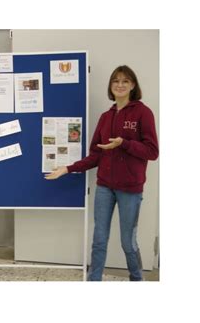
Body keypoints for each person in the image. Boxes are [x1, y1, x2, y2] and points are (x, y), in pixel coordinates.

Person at [45, 65, 158, 281]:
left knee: (128, 241)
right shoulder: (106, 117)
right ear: (111, 86)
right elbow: (96, 155)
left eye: (125, 81)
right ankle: (93, 281)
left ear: (133, 85)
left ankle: (137, 279)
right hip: (105, 186)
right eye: (116, 81)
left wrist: (124, 143)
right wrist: (67, 168)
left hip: (130, 189)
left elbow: (152, 152)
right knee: (99, 239)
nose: (120, 85)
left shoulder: (143, 113)